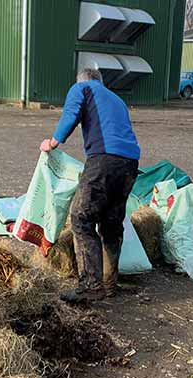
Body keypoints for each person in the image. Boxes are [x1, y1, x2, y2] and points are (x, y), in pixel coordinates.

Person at [40, 68, 140, 304]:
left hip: (103, 160)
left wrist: (53, 142)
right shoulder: (116, 99)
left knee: (81, 218)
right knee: (111, 225)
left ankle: (91, 287)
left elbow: (71, 114)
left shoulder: (82, 88)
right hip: (129, 164)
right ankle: (109, 284)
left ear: (82, 80)